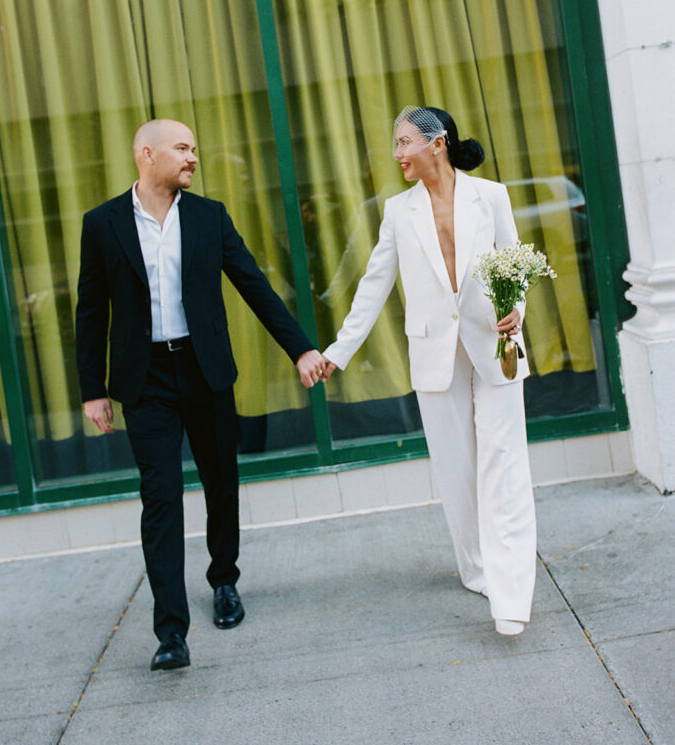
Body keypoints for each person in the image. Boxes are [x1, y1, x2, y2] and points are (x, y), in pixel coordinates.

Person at [76, 119, 327, 671]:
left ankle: (224, 581)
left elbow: (254, 285)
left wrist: (301, 349)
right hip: (145, 383)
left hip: (205, 370)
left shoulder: (210, 217)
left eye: (195, 148)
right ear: (147, 153)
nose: (194, 157)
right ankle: (170, 632)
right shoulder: (103, 224)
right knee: (160, 499)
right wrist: (93, 389)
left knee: (221, 483)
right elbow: (91, 311)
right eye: (183, 148)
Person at [321, 106, 537, 636]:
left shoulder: (491, 195)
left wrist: (518, 310)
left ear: (436, 143)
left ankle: (511, 594)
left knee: (504, 465)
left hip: (495, 344)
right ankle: (477, 568)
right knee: (457, 470)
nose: (397, 155)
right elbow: (374, 285)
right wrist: (339, 351)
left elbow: (514, 263)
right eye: (395, 145)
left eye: (404, 143)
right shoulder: (398, 211)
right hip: (434, 355)